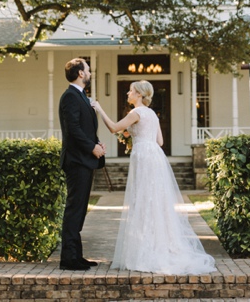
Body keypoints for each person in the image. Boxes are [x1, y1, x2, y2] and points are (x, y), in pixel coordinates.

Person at [92, 80, 216, 275]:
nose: (128, 93)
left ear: (139, 95)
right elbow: (160, 141)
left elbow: (114, 128)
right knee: (155, 200)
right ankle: (160, 244)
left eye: (131, 91)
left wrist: (99, 109)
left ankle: (145, 249)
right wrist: (136, 135)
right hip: (155, 155)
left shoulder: (135, 113)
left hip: (143, 155)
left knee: (142, 199)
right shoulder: (152, 115)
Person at [58, 58, 105, 271]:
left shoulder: (80, 96)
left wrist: (96, 144)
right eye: (87, 69)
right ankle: (68, 258)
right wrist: (91, 147)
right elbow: (73, 129)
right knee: (74, 209)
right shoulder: (70, 97)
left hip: (84, 159)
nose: (90, 72)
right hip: (76, 160)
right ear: (80, 74)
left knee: (80, 210)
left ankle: (77, 255)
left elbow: (84, 129)